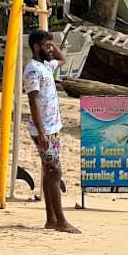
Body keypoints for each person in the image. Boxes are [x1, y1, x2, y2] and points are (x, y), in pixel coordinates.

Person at [24, 30, 80, 234]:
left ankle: (51, 219)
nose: (51, 49)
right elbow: (33, 100)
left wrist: (50, 42)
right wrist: (41, 132)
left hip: (53, 129)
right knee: (55, 171)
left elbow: (62, 59)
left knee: (49, 172)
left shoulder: (46, 65)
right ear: (37, 47)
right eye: (47, 45)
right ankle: (61, 222)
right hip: (44, 130)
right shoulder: (32, 70)